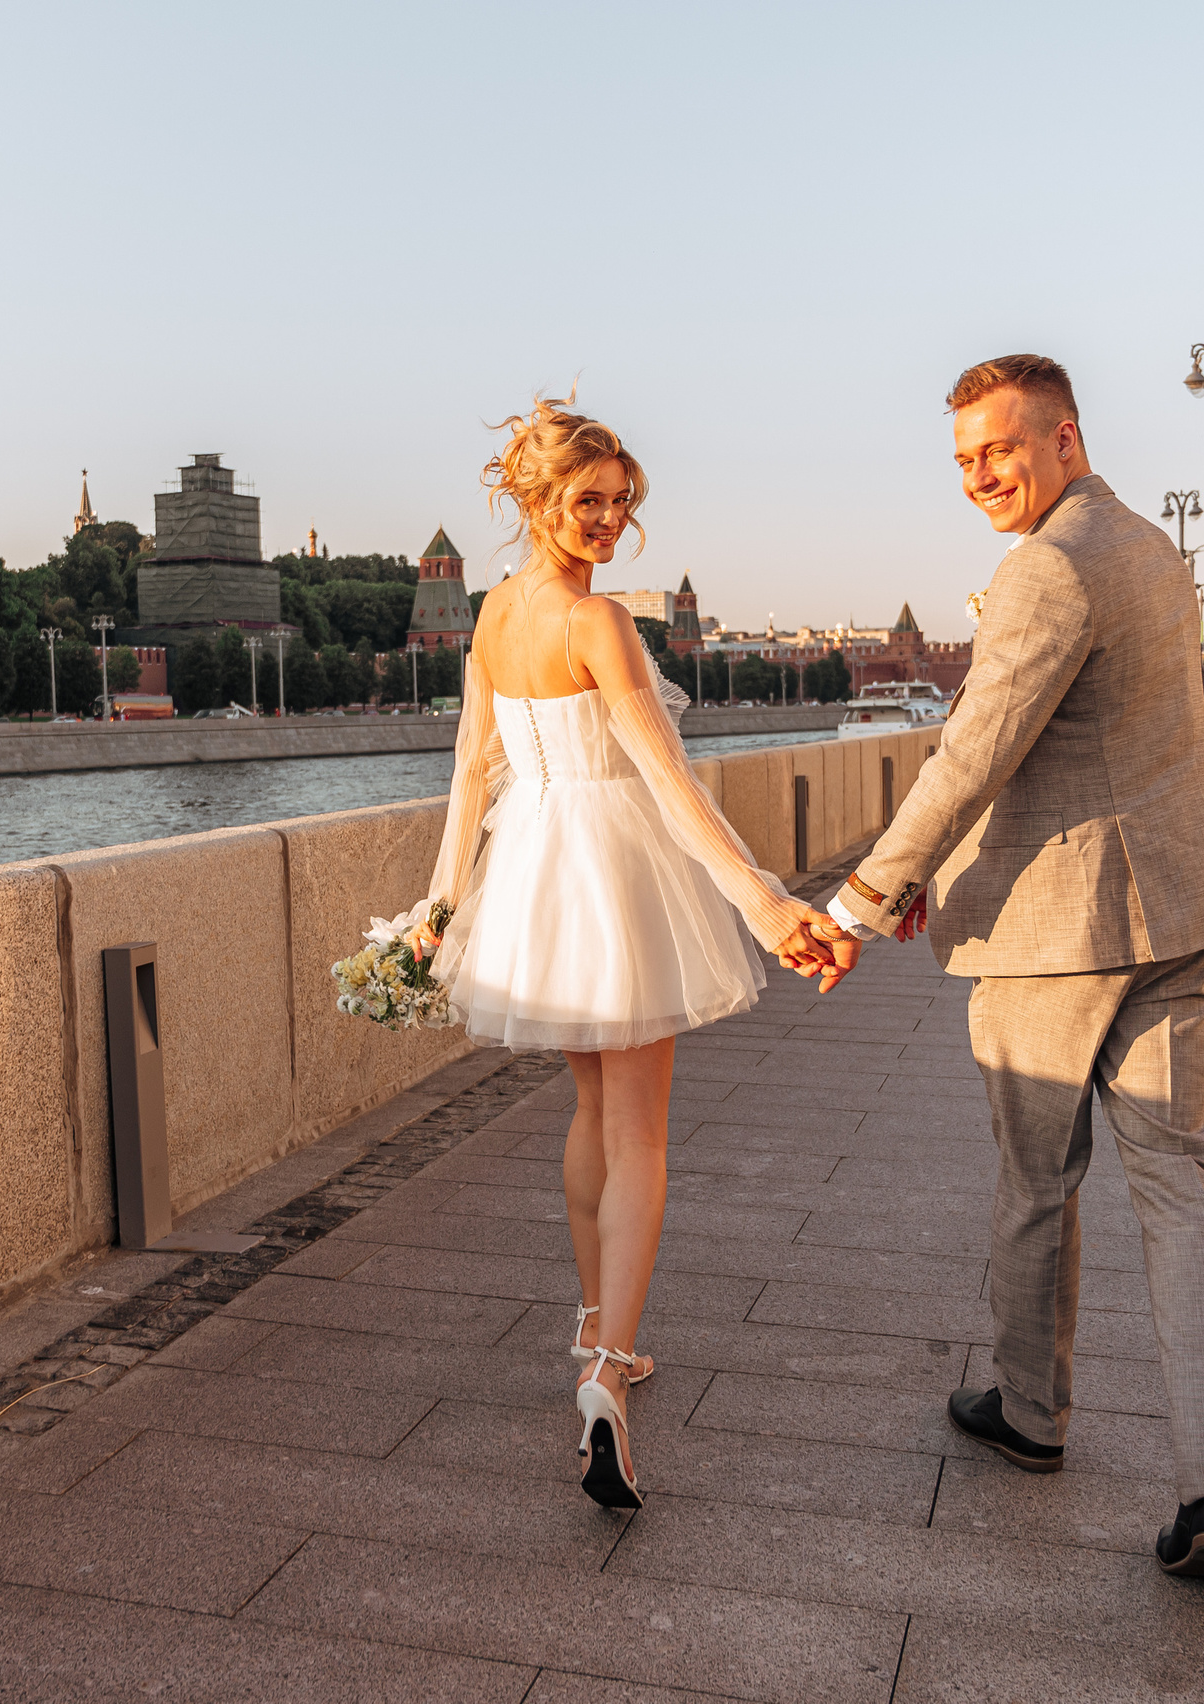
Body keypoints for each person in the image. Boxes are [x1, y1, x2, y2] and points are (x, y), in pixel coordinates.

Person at [826, 355, 1204, 1579]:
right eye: (962, 461)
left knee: (1037, 1182)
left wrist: (871, 892)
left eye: (998, 451)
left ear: (1064, 437)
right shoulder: (1150, 551)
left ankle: (1029, 1411)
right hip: (1177, 907)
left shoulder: (1044, 571)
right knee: (1181, 1186)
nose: (979, 477)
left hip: (1058, 936)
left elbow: (974, 752)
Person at [413, 395, 858, 1510]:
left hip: (534, 871)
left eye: (622, 504)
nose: (609, 521)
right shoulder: (596, 624)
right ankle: (608, 1376)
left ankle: (597, 1335)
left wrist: (441, 902)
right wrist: (762, 905)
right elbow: (667, 780)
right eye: (589, 501)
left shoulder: (495, 614)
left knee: (588, 1119)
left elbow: (471, 768)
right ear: (539, 501)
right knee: (641, 1134)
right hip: (617, 863)